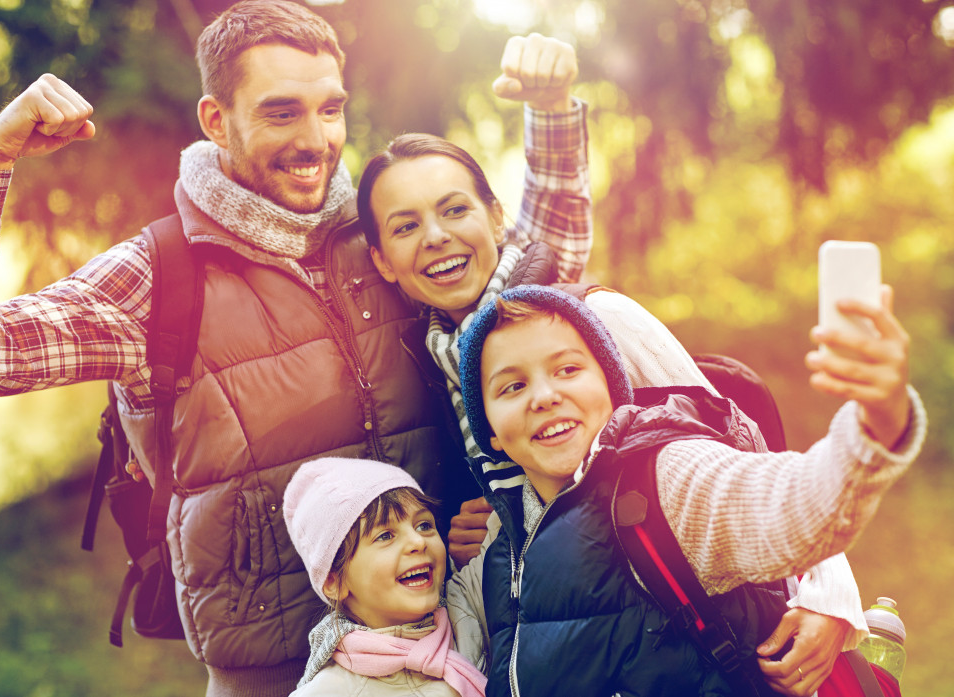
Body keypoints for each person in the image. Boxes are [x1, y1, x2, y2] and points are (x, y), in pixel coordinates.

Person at [0, 2, 586, 694]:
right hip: (272, 672)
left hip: (449, 637)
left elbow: (538, 284)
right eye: (281, 113)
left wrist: (549, 111)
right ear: (216, 121)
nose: (316, 139)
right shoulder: (159, 277)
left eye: (329, 110)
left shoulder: (384, 241)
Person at [356, 131, 873, 695]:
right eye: (405, 226)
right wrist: (483, 539)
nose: (435, 237)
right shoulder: (439, 370)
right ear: (382, 259)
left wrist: (831, 600)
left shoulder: (594, 317)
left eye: (454, 209)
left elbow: (740, 448)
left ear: (496, 217)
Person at [447, 283, 925, 697]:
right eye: (512, 387)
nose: (544, 396)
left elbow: (792, 505)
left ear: (613, 387)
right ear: (490, 432)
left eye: (568, 369)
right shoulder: (501, 551)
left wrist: (876, 427)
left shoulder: (661, 478)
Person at [282, 456, 487, 696]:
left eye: (424, 525)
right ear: (334, 581)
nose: (418, 541)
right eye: (386, 535)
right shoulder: (327, 691)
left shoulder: (467, 605)